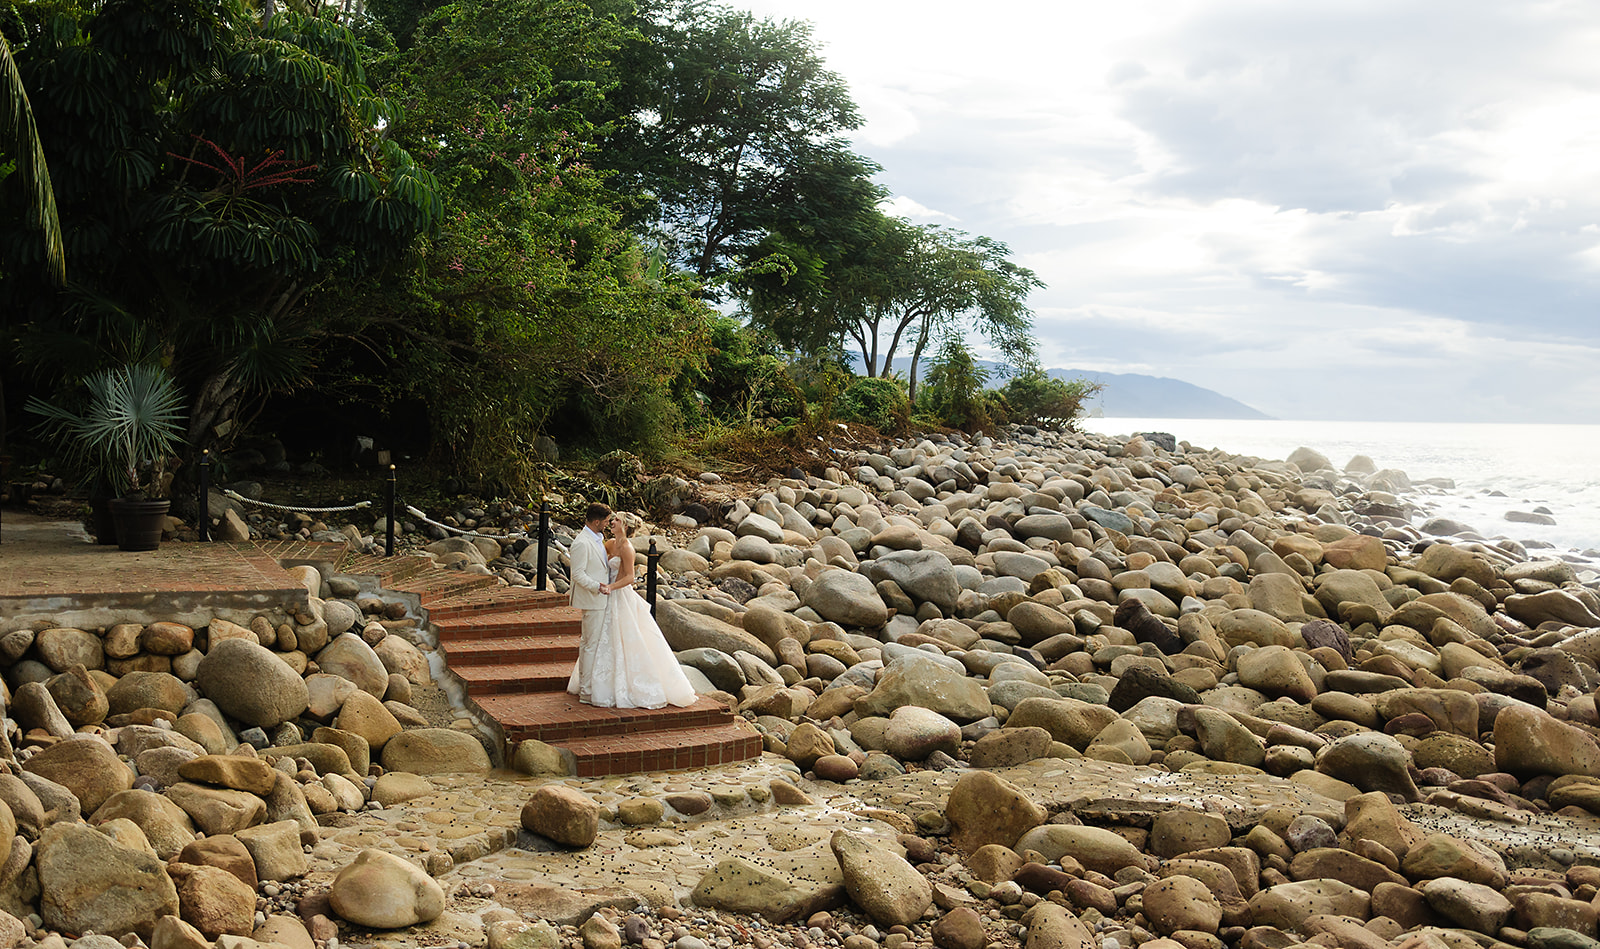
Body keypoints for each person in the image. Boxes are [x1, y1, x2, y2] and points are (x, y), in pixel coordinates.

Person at [567, 510, 697, 709]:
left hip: (618, 594)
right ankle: (593, 684)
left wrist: (610, 587)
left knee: (622, 639)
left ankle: (618, 686)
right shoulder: (608, 543)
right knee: (602, 640)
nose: (612, 522)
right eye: (611, 519)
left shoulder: (628, 548)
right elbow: (599, 564)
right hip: (603, 596)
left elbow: (629, 577)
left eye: (616, 520)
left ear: (625, 526)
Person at [565, 502, 615, 701]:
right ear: (596, 521)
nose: (607, 525)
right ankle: (586, 689)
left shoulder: (598, 538)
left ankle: (592, 684)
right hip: (593, 599)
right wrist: (598, 587)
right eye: (606, 521)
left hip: (602, 599)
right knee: (589, 644)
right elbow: (577, 574)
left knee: (594, 643)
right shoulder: (581, 543)